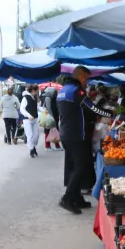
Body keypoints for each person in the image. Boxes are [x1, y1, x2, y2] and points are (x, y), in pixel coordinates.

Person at [57, 66, 115, 214]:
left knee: (74, 166)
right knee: (80, 167)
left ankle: (77, 198)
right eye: (86, 79)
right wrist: (110, 113)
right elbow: (92, 108)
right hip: (77, 135)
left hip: (66, 134)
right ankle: (67, 198)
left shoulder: (63, 91)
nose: (86, 82)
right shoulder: (77, 91)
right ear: (81, 77)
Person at [20, 84, 41, 158]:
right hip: (27, 120)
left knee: (36, 135)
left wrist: (44, 110)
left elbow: (37, 107)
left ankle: (33, 146)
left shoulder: (34, 98)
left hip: (35, 119)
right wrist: (28, 115)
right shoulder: (25, 98)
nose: (37, 92)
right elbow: (22, 109)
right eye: (36, 91)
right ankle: (31, 150)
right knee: (30, 136)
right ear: (33, 91)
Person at [42, 86, 61, 150]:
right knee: (47, 131)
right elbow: (48, 108)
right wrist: (51, 117)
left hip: (55, 116)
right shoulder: (48, 98)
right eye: (55, 92)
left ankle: (57, 145)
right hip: (49, 117)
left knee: (56, 131)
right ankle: (47, 146)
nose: (56, 93)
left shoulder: (55, 97)